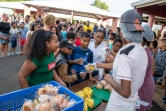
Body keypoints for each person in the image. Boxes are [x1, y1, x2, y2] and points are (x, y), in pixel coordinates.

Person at [104, 10, 148, 111]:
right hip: (130, 104)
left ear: (122, 32)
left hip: (118, 105)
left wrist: (109, 79)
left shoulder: (125, 54)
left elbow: (125, 92)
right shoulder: (142, 51)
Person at [136, 24, 155, 111]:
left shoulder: (143, 53)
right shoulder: (144, 50)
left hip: (143, 87)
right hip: (145, 84)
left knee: (140, 108)